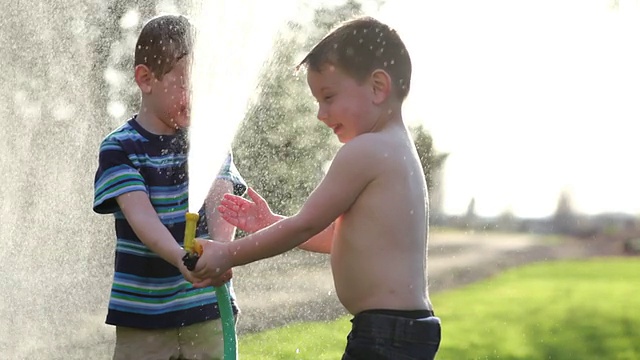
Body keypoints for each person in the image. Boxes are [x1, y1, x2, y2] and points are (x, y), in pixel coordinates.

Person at [190, 16, 441, 359]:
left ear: (377, 87)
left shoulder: (365, 151)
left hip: (386, 333)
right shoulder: (395, 150)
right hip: (403, 330)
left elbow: (306, 224)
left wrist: (227, 254)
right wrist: (270, 222)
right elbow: (336, 237)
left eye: (329, 96)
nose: (321, 114)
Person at [92, 14, 246, 360]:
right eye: (186, 83)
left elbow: (224, 202)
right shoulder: (121, 147)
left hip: (207, 309)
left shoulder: (209, 140)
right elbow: (141, 218)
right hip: (143, 318)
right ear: (146, 79)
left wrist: (221, 251)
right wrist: (181, 258)